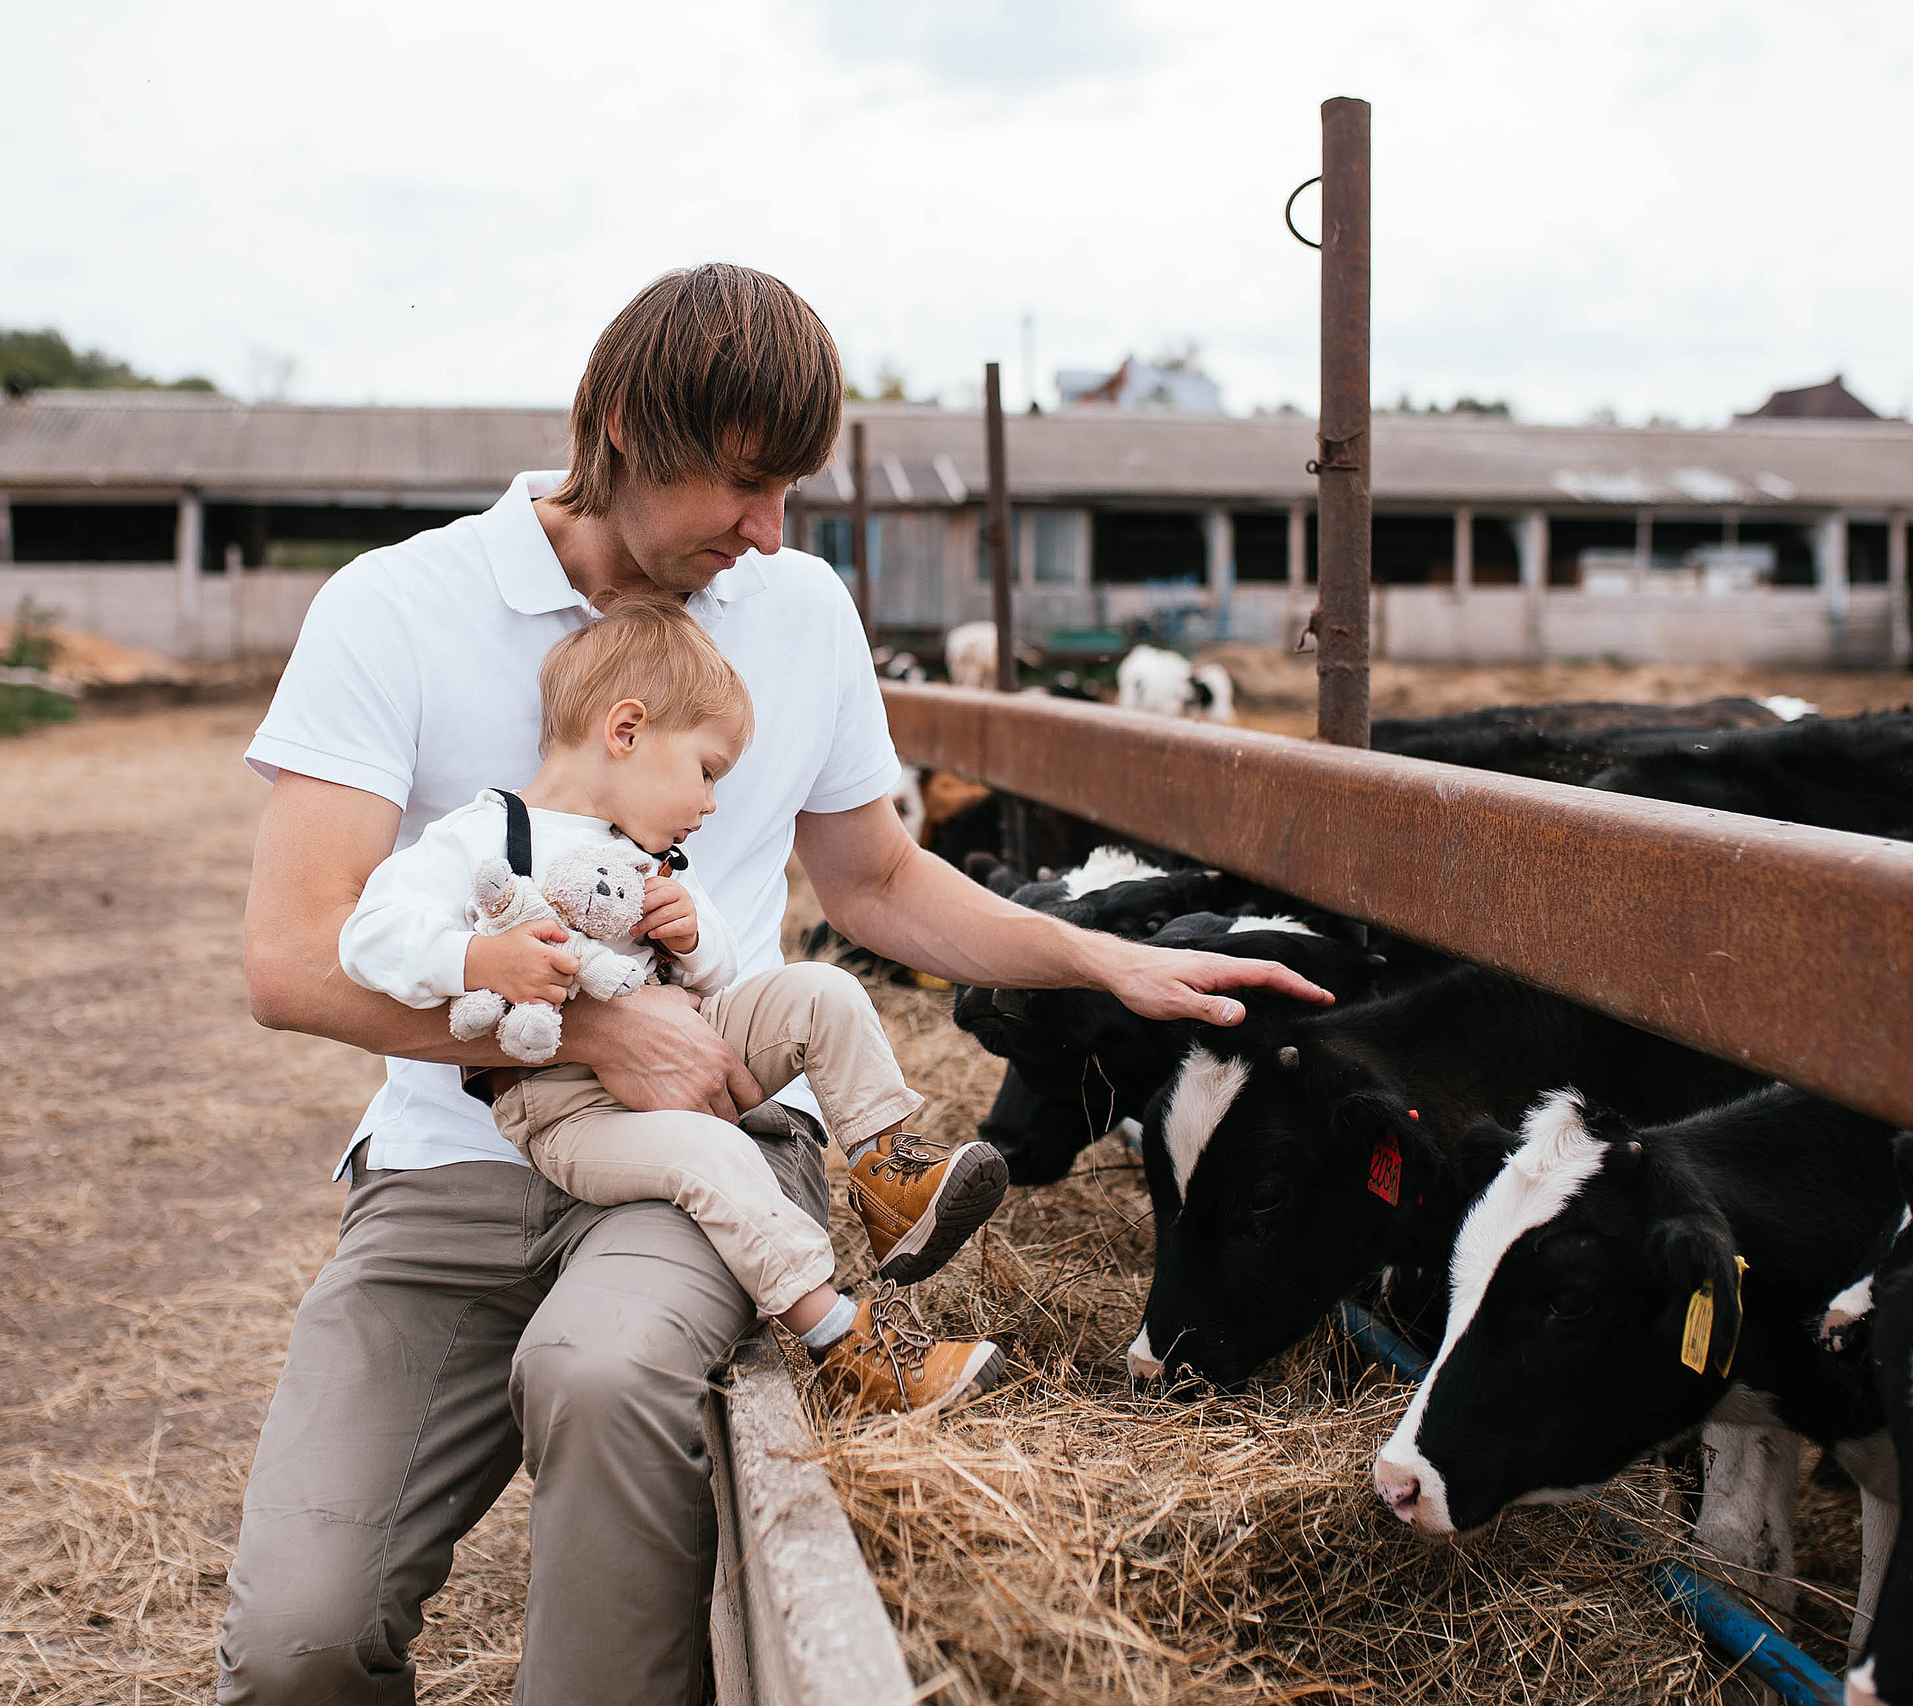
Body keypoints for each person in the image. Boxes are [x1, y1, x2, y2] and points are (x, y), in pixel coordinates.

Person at [221, 262, 1332, 1706]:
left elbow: (873, 882)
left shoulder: (796, 609)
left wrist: (1102, 952)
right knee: (300, 1643)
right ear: (621, 429)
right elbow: (290, 957)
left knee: (604, 1375)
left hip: (720, 1138)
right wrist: (600, 1018)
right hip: (452, 1161)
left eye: (790, 489)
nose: (767, 532)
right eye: (743, 485)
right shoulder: (397, 608)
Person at [336, 594, 1011, 1414]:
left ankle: (887, 1179)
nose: (712, 803)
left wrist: (695, 938)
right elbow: (367, 939)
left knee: (822, 990)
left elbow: (714, 980)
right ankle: (848, 1348)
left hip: (682, 1038)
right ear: (625, 732)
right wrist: (478, 958)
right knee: (718, 1156)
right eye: (706, 771)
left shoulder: (647, 858)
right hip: (566, 1112)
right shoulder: (479, 840)